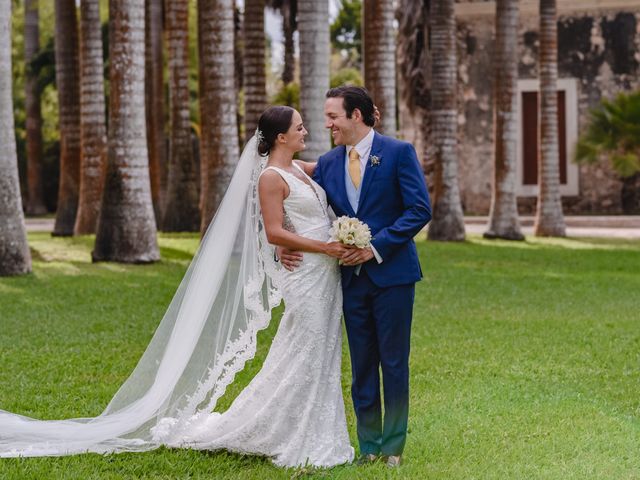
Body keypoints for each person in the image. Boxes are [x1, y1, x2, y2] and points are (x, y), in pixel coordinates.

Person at [0, 107, 354, 468]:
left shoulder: (299, 168)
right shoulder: (271, 177)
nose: (306, 131)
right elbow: (275, 230)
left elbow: (336, 162)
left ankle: (296, 424)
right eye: (299, 127)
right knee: (304, 349)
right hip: (308, 273)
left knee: (315, 350)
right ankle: (293, 432)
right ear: (281, 137)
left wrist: (363, 124)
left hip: (323, 275)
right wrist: (325, 246)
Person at [282, 86, 432, 467]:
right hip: (349, 280)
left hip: (393, 275)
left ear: (357, 117)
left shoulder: (398, 153)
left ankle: (393, 449)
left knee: (394, 362)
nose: (327, 123)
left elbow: (419, 210)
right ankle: (369, 447)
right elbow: (282, 180)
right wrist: (284, 239)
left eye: (333, 116)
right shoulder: (328, 163)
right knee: (363, 363)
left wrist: (375, 246)